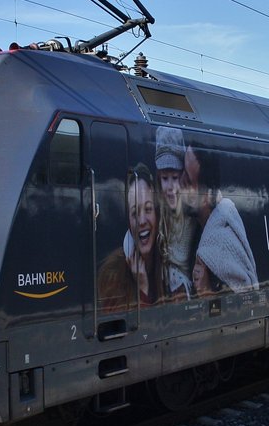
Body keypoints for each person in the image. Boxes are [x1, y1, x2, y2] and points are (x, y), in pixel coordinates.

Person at [181, 143, 258, 294]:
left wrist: (206, 289)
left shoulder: (221, 242)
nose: (180, 183)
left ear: (207, 195)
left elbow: (243, 298)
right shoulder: (193, 233)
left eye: (188, 181)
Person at [98, 164, 166, 310]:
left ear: (157, 213)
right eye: (135, 213)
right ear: (128, 221)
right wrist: (143, 288)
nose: (142, 221)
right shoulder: (112, 275)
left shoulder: (171, 267)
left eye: (148, 209)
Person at [153, 127, 196, 299]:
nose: (170, 188)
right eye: (165, 178)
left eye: (175, 178)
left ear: (183, 176)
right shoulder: (156, 216)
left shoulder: (193, 218)